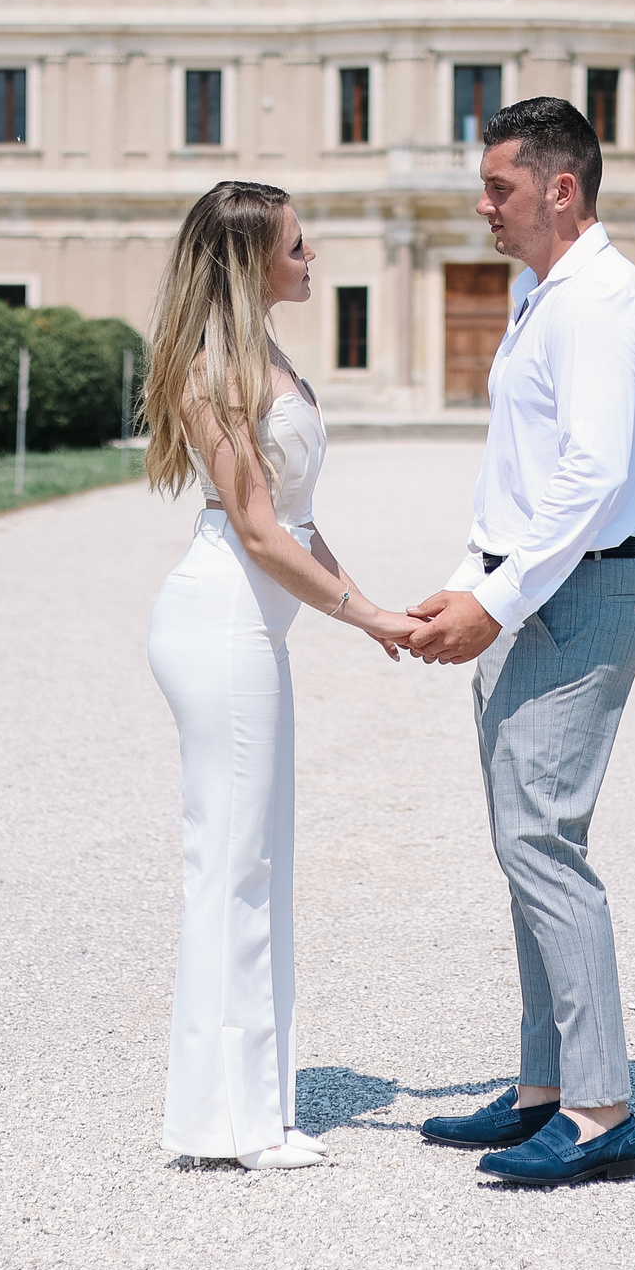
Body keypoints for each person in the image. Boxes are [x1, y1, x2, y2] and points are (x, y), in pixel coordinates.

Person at [405, 96, 635, 1187]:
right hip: (533, 592)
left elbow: (594, 475)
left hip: (577, 599)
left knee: (543, 849)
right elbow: (517, 473)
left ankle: (601, 1112)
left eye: (499, 187)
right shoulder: (541, 294)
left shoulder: (599, 299)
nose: (483, 206)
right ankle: (543, 1091)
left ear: (561, 188)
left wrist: (499, 601)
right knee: (523, 853)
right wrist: (466, 585)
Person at [140, 180, 420, 1170]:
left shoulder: (272, 357)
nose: (312, 260)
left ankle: (251, 1107)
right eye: (298, 246)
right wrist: (364, 615)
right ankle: (230, 1124)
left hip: (254, 629)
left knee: (256, 864)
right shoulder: (211, 370)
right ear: (251, 260)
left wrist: (373, 609)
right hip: (220, 623)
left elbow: (295, 516)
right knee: (232, 866)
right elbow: (256, 530)